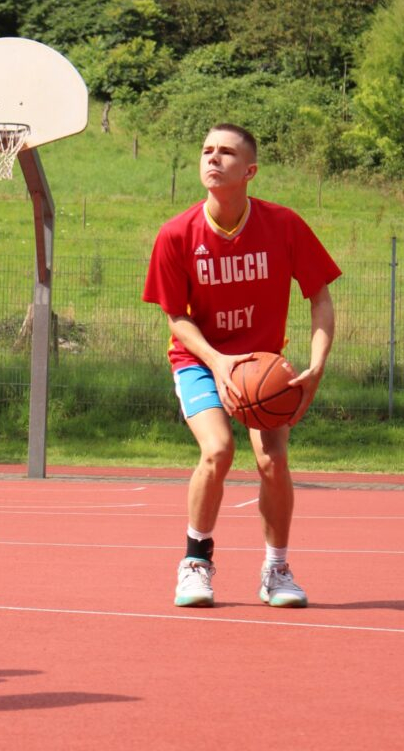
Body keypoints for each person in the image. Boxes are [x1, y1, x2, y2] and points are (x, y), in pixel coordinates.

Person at [143, 123, 340, 608]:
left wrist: (316, 366)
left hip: (262, 366)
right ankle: (195, 562)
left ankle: (277, 569)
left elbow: (319, 298)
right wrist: (218, 362)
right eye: (207, 150)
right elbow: (176, 317)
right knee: (218, 450)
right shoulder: (176, 234)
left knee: (273, 460)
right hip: (199, 359)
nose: (213, 158)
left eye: (226, 153)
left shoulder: (284, 225)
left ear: (249, 171)